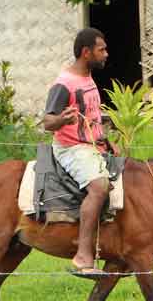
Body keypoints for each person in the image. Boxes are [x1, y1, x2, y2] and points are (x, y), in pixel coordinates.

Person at [41, 27, 120, 279]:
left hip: (91, 145)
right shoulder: (65, 84)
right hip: (71, 148)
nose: (106, 54)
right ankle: (83, 255)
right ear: (86, 52)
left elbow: (90, 116)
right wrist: (61, 120)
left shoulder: (87, 77)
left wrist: (105, 140)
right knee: (99, 187)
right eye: (101, 50)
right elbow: (47, 122)